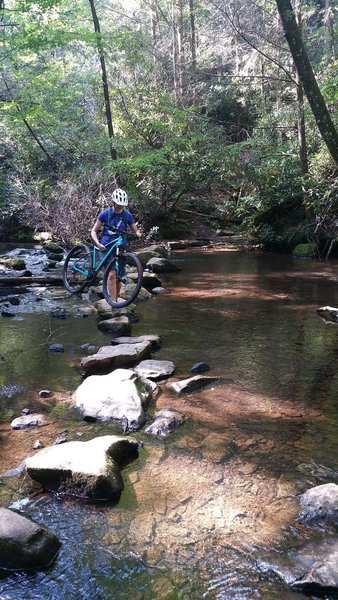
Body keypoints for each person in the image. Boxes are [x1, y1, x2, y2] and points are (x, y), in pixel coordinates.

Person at [91, 188, 142, 301]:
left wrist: (138, 233)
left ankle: (116, 301)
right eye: (119, 204)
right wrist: (98, 243)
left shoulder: (127, 216)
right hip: (106, 248)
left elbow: (135, 230)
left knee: (119, 277)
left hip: (121, 248)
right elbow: (94, 231)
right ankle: (113, 303)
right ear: (114, 202)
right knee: (111, 275)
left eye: (122, 205)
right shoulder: (105, 214)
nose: (121, 206)